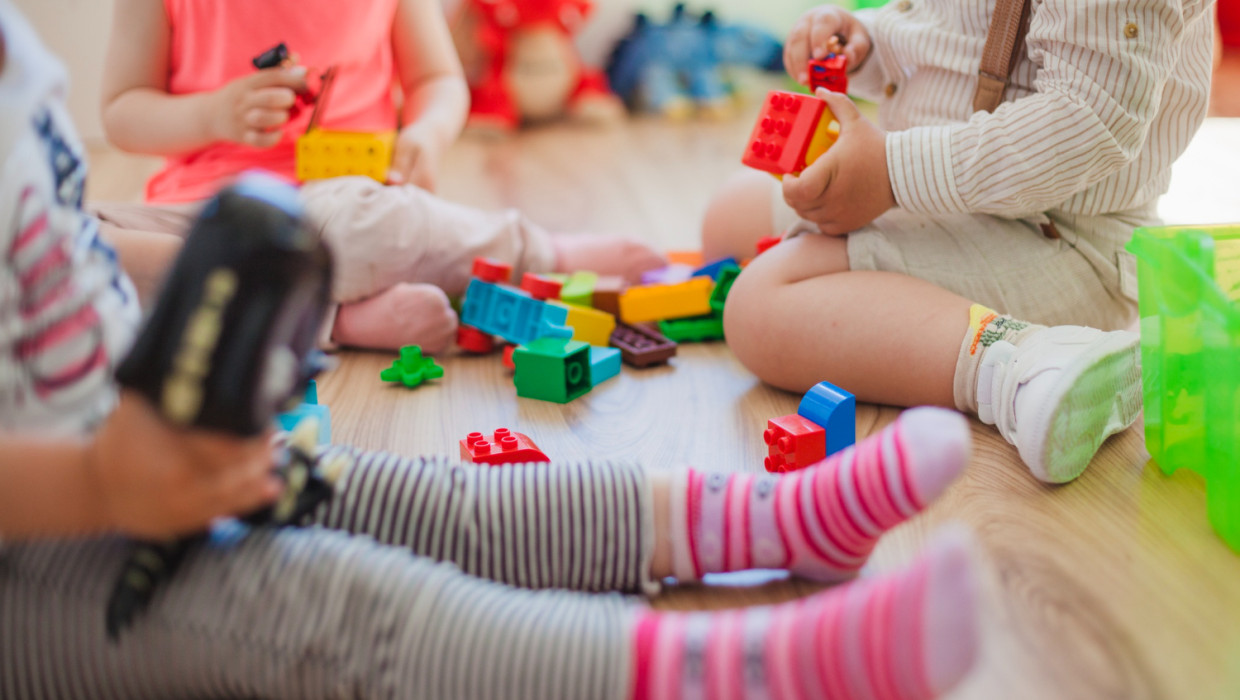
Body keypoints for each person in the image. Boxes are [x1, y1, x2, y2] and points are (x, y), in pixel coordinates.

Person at [0, 3, 984, 697]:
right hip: (48, 551)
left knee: (404, 494)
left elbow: (72, 241)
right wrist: (98, 484)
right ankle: (764, 673)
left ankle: (777, 518)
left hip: (120, 438)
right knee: (333, 607)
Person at [704, 0, 1215, 483]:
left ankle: (1028, 362)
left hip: (1065, 240)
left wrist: (891, 173)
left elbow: (1089, 121)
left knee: (757, 310)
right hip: (949, 189)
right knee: (729, 217)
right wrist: (870, 44)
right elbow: (956, 33)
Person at [91, 0, 666, 354]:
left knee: (375, 223)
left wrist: (427, 134)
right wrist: (211, 115)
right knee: (81, 244)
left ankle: (542, 253)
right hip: (201, 217)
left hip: (337, 202)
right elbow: (122, 110)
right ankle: (336, 318)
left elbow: (437, 80)